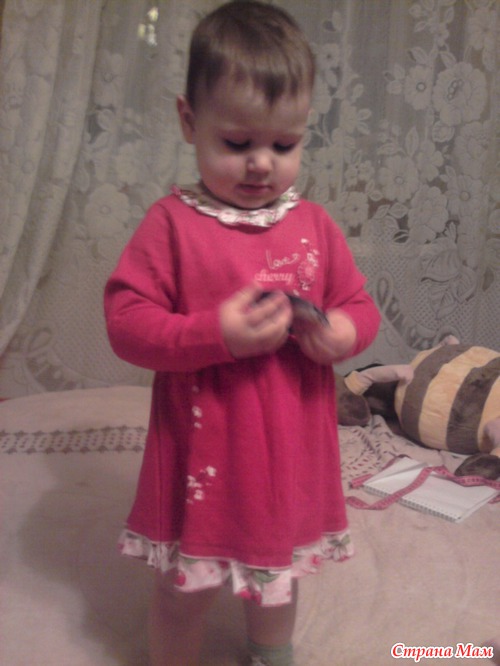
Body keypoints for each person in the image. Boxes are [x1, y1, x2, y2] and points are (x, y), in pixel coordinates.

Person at [104, 2, 381, 664]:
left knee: (277, 581)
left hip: (289, 456)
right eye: (237, 143)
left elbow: (358, 304)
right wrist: (215, 335)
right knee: (185, 592)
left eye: (284, 146)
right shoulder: (171, 224)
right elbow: (126, 323)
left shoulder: (314, 225)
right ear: (189, 121)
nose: (262, 163)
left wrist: (342, 334)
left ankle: (270, 654)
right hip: (203, 456)